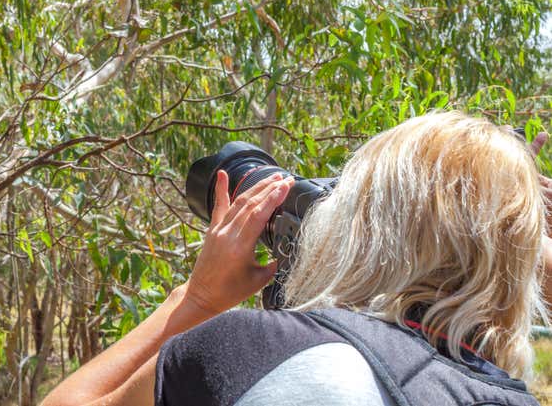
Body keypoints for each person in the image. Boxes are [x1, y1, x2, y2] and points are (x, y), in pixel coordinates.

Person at [41, 111, 552, 406]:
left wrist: (196, 300)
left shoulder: (258, 352)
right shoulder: (510, 398)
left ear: (366, 223)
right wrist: (511, 235)